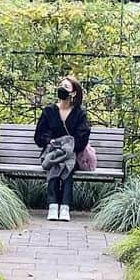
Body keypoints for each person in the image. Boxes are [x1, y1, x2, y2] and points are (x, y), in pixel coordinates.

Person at [34, 75, 90, 222]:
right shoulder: (49, 111)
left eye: (66, 87)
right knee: (55, 162)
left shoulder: (79, 114)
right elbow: (39, 135)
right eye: (61, 86)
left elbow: (82, 138)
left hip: (72, 154)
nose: (61, 89)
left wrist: (68, 147)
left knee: (67, 164)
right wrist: (49, 141)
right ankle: (54, 205)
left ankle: (64, 207)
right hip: (51, 152)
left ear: (74, 93)